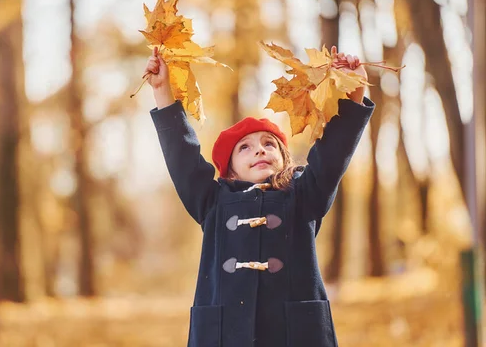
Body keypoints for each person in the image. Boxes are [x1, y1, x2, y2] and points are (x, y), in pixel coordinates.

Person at [145, 46, 374, 347]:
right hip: (225, 333)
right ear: (229, 171)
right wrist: (163, 93)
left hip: (293, 333)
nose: (260, 150)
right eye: (245, 147)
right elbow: (183, 159)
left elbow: (332, 154)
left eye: (269, 144)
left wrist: (352, 91)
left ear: (284, 159)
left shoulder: (303, 193)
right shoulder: (213, 201)